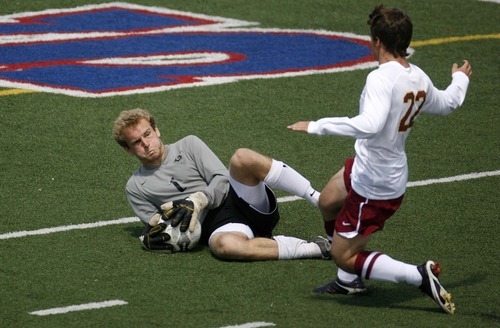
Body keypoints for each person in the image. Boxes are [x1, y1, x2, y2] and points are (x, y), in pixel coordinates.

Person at [288, 5, 471, 314]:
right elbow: (448, 103)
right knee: (329, 200)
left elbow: (369, 125)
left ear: (375, 41)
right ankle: (348, 280)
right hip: (370, 167)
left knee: (342, 254)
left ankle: (416, 275)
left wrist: (318, 125)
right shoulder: (417, 77)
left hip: (375, 182)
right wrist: (459, 80)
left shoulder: (380, 79)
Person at [112, 108, 330, 261]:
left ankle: (318, 199)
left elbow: (222, 180)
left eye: (147, 134)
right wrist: (160, 236)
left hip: (240, 199)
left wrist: (197, 201)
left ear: (156, 130)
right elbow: (158, 225)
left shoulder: (189, 144)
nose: (146, 143)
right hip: (216, 227)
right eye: (137, 143)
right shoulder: (135, 187)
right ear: (129, 150)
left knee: (242, 158)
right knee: (225, 247)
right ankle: (316, 248)